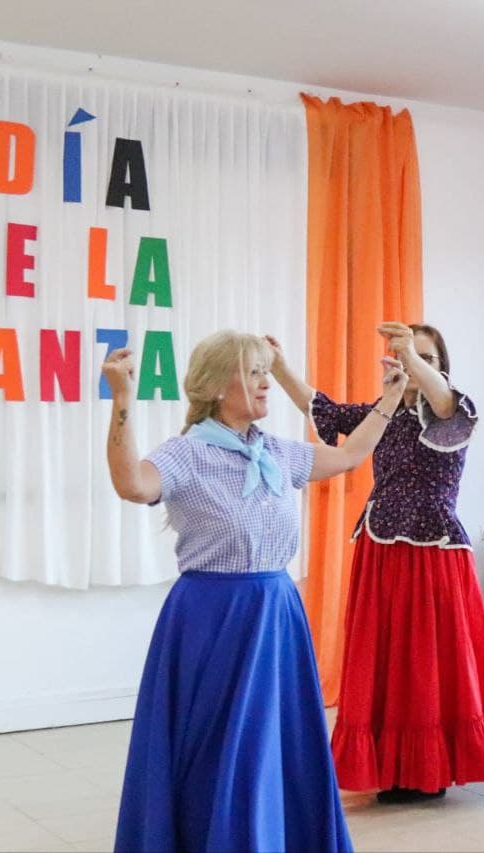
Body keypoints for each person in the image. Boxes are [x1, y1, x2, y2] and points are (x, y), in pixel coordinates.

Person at [108, 330, 406, 852]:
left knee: (272, 746)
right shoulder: (187, 453)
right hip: (212, 618)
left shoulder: (276, 452)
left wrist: (390, 399)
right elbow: (132, 483)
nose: (266, 383)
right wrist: (122, 402)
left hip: (276, 613)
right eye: (253, 373)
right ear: (215, 386)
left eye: (265, 371)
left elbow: (350, 457)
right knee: (220, 748)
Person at [270, 322, 484, 804]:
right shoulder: (381, 415)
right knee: (385, 659)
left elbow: (441, 397)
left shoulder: (454, 411)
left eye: (425, 357)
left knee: (425, 660)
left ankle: (430, 767)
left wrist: (412, 358)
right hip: (381, 551)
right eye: (403, 354)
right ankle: (392, 762)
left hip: (432, 555)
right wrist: (279, 367)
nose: (411, 363)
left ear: (440, 367)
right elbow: (321, 408)